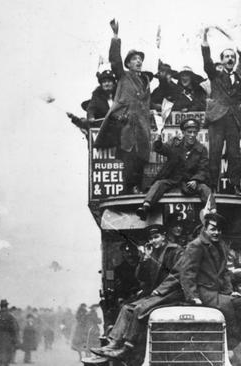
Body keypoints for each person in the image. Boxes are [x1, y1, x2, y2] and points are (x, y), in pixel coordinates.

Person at [179, 213, 241, 357]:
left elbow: (224, 272)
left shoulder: (220, 246)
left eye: (219, 229)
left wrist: (230, 292)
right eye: (213, 229)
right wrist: (193, 297)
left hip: (216, 292)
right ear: (205, 228)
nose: (216, 232)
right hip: (204, 292)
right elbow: (187, 273)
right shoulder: (196, 245)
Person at [92, 224, 184, 359]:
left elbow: (178, 274)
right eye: (151, 239)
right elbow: (141, 277)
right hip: (158, 294)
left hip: (172, 293)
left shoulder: (175, 251)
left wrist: (160, 290)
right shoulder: (154, 253)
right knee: (127, 308)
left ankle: (128, 347)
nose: (153, 241)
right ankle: (114, 343)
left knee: (140, 308)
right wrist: (144, 259)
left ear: (164, 236)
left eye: (156, 237)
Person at [95, 18, 152, 194]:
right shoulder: (123, 76)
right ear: (127, 64)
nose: (138, 61)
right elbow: (114, 59)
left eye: (139, 59)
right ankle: (128, 189)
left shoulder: (146, 80)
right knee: (129, 157)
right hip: (127, 126)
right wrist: (115, 36)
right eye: (134, 59)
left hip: (142, 127)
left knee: (142, 157)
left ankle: (138, 188)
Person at [135, 119, 214, 220]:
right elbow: (161, 149)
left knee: (205, 189)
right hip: (173, 179)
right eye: (189, 132)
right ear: (183, 132)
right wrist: (159, 137)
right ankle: (145, 207)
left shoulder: (202, 149)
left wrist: (196, 180)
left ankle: (213, 212)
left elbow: (203, 169)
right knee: (159, 184)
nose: (192, 135)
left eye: (195, 132)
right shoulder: (174, 144)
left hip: (189, 182)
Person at [201, 28, 241, 195]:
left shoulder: (238, 76)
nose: (229, 59)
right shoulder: (215, 75)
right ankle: (213, 186)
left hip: (233, 119)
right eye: (226, 56)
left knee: (234, 154)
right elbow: (207, 62)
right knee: (215, 153)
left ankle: (235, 186)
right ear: (221, 60)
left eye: (232, 57)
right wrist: (205, 40)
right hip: (218, 119)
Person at [0, 299, 19, 366]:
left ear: (0, 306)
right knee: (7, 357)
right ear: (7, 306)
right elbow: (14, 329)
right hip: (7, 338)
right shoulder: (10, 316)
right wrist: (15, 340)